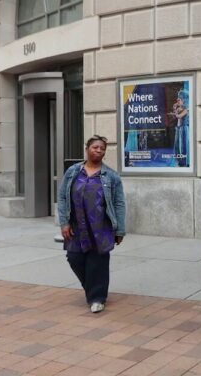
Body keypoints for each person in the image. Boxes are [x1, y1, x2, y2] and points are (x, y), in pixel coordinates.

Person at [58, 135, 126, 314]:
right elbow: (63, 196)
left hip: (100, 227)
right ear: (87, 148)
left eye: (102, 148)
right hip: (76, 225)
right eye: (95, 147)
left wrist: (120, 229)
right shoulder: (73, 171)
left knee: (98, 263)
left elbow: (119, 203)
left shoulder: (111, 176)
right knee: (74, 258)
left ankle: (97, 298)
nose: (99, 150)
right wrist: (64, 222)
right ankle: (92, 288)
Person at [170, 94, 189, 167]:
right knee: (177, 145)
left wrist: (174, 111)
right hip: (178, 128)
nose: (177, 101)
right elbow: (175, 117)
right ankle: (179, 160)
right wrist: (174, 110)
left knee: (183, 145)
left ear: (183, 101)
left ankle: (184, 161)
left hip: (183, 129)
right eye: (177, 100)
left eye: (179, 100)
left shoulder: (186, 109)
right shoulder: (178, 109)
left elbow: (179, 116)